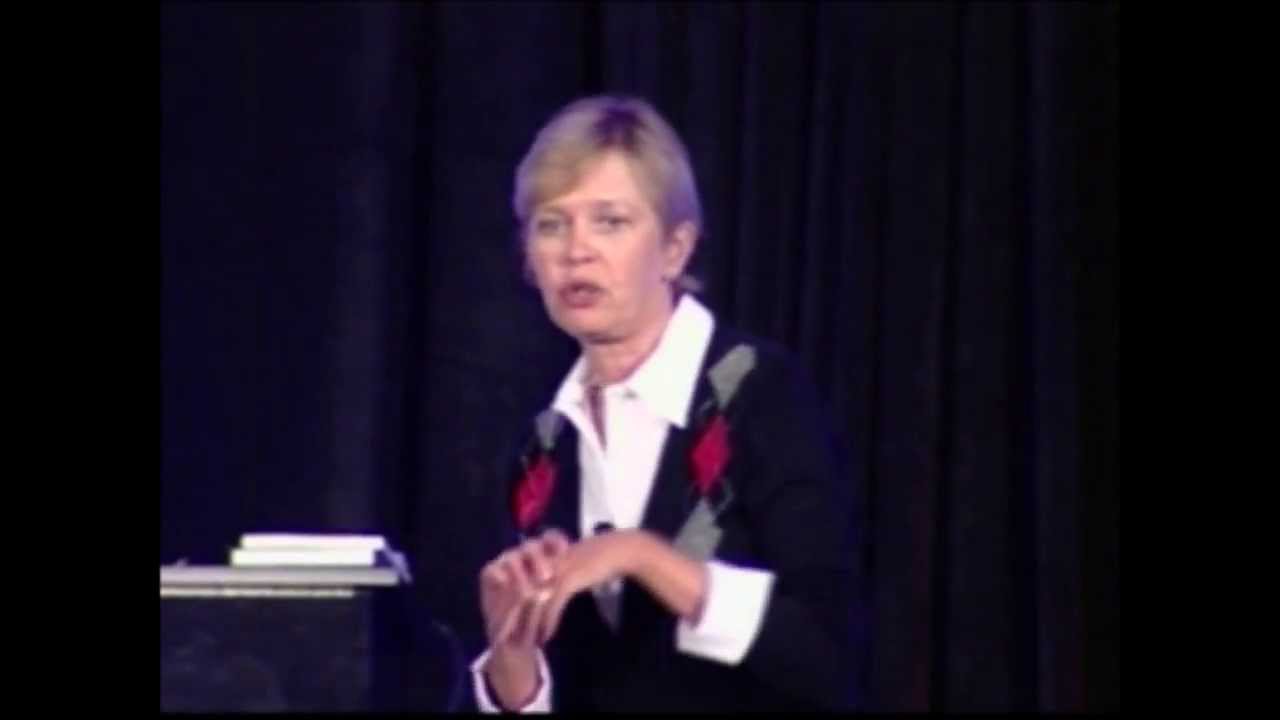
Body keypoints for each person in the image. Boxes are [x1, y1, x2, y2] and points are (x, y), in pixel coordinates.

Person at [467, 94, 862, 712]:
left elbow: (827, 654)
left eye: (610, 221)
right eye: (552, 224)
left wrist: (641, 556)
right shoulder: (539, 445)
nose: (576, 250)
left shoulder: (761, 392)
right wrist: (512, 657)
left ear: (675, 249)